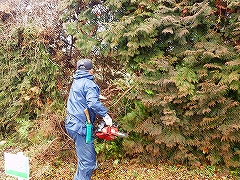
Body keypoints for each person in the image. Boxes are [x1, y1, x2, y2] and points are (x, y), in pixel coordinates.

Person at [65, 59, 112, 180]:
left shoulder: (77, 81)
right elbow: (92, 103)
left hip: (71, 123)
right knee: (87, 163)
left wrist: (96, 95)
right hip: (80, 127)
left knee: (87, 159)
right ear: (91, 71)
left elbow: (81, 96)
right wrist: (106, 116)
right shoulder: (89, 83)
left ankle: (85, 172)